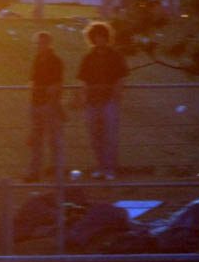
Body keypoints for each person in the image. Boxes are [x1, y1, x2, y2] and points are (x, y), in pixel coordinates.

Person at [75, 20, 129, 180]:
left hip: (109, 101)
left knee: (110, 136)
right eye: (96, 36)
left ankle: (110, 169)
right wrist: (83, 97)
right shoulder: (88, 57)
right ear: (92, 38)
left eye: (102, 36)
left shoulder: (116, 56)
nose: (99, 39)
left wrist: (116, 95)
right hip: (92, 102)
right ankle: (100, 167)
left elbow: (121, 77)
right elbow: (83, 80)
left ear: (107, 37)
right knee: (95, 137)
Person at [24, 31, 64, 183]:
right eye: (37, 43)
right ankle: (34, 172)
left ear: (48, 44)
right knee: (36, 141)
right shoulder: (37, 59)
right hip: (36, 103)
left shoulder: (55, 61)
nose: (38, 46)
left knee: (53, 141)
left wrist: (51, 102)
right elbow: (33, 81)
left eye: (41, 43)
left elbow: (57, 84)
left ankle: (57, 172)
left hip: (48, 105)